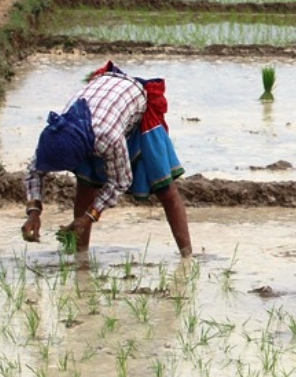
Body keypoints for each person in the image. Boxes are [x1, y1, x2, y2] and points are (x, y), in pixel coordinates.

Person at [21, 61, 192, 257]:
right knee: (86, 185)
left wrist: (89, 217)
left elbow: (120, 181)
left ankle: (187, 256)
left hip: (134, 102)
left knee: (165, 189)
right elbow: (35, 170)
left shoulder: (107, 137)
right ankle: (80, 259)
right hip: (100, 101)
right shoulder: (55, 134)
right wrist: (34, 212)